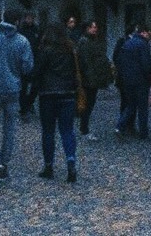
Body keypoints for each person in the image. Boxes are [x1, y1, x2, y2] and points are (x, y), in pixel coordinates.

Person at [0, 7, 34, 183]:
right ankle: (4, 162)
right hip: (12, 89)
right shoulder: (22, 41)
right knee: (9, 127)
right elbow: (28, 67)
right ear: (17, 21)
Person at [32, 23, 79, 183]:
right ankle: (71, 162)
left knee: (48, 131)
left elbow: (36, 72)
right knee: (67, 131)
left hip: (48, 94)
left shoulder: (45, 51)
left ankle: (49, 165)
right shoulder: (70, 50)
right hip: (68, 93)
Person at [76, 20, 113, 140]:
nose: (95, 29)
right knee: (87, 104)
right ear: (87, 28)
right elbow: (86, 63)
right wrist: (92, 80)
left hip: (93, 79)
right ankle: (84, 129)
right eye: (93, 27)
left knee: (89, 105)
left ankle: (84, 128)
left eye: (95, 27)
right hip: (89, 80)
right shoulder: (85, 42)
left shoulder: (91, 41)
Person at [115, 25, 151, 140]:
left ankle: (120, 126)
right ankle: (143, 133)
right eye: (149, 34)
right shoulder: (143, 44)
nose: (150, 37)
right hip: (141, 80)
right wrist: (149, 76)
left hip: (127, 80)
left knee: (130, 105)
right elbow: (146, 64)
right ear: (144, 32)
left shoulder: (127, 43)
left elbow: (120, 61)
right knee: (142, 107)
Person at [18, 11, 41, 120]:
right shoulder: (20, 31)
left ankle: (29, 102)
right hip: (23, 62)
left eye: (31, 18)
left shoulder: (37, 30)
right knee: (23, 87)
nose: (30, 20)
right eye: (28, 18)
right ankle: (24, 109)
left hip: (35, 60)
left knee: (36, 86)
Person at [112, 24, 136, 120]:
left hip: (133, 76)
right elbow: (115, 57)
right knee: (125, 101)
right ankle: (123, 123)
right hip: (124, 76)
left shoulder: (136, 41)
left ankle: (130, 123)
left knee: (133, 101)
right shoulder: (122, 41)